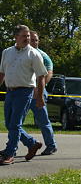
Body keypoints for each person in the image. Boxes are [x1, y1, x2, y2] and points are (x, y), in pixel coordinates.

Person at [0, 25, 48, 165]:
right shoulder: (7, 52)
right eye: (24, 36)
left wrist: (39, 97)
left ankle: (10, 153)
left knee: (15, 124)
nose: (27, 38)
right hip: (10, 91)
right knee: (9, 124)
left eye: (28, 36)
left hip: (25, 92)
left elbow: (41, 76)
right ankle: (32, 143)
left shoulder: (34, 54)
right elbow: (2, 72)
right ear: (16, 37)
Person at [18, 31, 57, 156]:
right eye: (32, 40)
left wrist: (39, 89)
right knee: (15, 122)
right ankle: (14, 147)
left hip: (37, 92)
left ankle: (51, 146)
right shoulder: (21, 53)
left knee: (43, 121)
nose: (34, 42)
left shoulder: (42, 55)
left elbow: (49, 72)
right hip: (23, 92)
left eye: (36, 40)